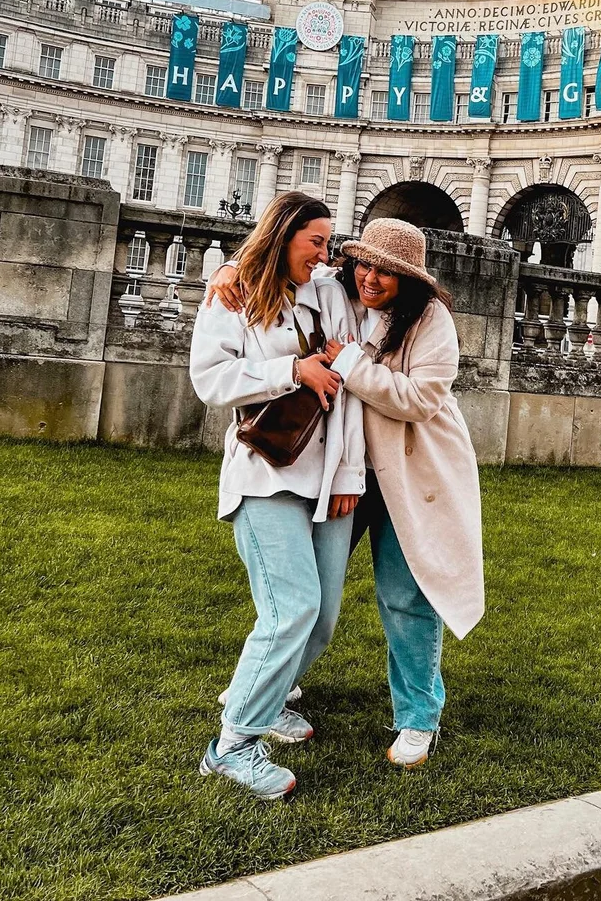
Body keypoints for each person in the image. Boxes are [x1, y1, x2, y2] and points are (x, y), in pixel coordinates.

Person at [209, 218, 485, 769]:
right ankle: (272, 689)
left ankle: (417, 717)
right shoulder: (338, 291)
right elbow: (284, 275)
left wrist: (351, 363)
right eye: (366, 264)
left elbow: (418, 400)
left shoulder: (431, 321)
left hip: (412, 475)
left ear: (410, 281)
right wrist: (230, 268)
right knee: (308, 596)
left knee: (406, 596)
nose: (372, 279)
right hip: (339, 467)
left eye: (388, 272)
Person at [189, 192, 366, 800]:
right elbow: (210, 380)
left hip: (327, 477)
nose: (324, 255)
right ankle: (233, 744)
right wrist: (291, 371)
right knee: (290, 608)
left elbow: (355, 387)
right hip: (265, 474)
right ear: (283, 235)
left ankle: (272, 693)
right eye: (314, 241)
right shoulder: (235, 295)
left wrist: (348, 477)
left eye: (328, 242)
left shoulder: (328, 291)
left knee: (320, 623)